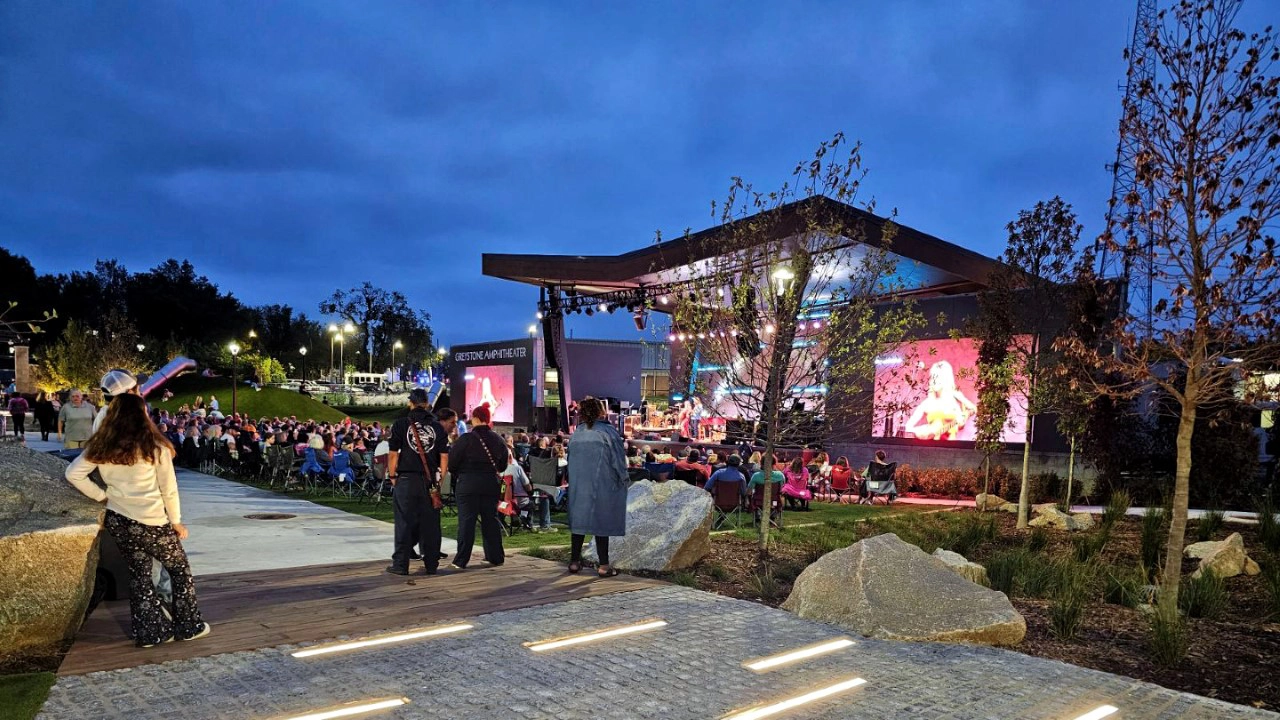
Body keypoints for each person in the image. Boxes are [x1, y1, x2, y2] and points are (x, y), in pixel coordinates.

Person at [63, 394, 210, 648]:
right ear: (143, 414)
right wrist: (176, 521)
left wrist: (103, 496)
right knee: (179, 569)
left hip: (120, 519)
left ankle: (150, 632)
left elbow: (73, 473)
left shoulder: (103, 446)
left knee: (139, 575)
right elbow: (169, 489)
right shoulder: (156, 447)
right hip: (152, 520)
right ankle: (188, 625)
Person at [385, 390, 452, 576]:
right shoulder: (437, 427)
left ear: (411, 403)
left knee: (404, 523)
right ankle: (431, 564)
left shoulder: (401, 424)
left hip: (406, 479)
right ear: (426, 403)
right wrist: (440, 480)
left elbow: (392, 454)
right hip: (429, 481)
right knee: (430, 524)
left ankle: (401, 564)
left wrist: (392, 476)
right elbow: (444, 457)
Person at [566, 396, 629, 577]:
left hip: (579, 483)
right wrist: (624, 479)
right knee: (602, 522)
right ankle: (604, 565)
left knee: (579, 522)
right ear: (602, 412)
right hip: (603, 482)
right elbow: (618, 461)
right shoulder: (608, 433)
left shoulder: (577, 434)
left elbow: (570, 459)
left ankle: (574, 562)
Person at [447, 404, 509, 569]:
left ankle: (461, 560)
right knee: (491, 520)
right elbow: (502, 465)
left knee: (467, 522)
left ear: (474, 418)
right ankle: (495, 556)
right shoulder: (498, 439)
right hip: (490, 484)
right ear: (488, 419)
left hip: (468, 484)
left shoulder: (466, 439)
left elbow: (452, 463)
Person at [904, 360, 978, 440]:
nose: (935, 382)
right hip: (932, 447)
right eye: (933, 378)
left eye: (939, 378)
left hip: (952, 447)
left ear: (946, 379)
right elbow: (908, 428)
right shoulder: (928, 403)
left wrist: (965, 416)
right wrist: (923, 430)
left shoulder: (954, 396)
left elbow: (973, 408)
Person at [93, 369, 141, 433]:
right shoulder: (127, 420)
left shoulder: (104, 415)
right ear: (130, 393)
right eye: (138, 390)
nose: (140, 394)